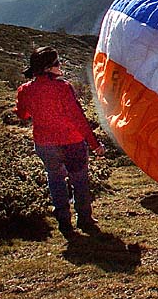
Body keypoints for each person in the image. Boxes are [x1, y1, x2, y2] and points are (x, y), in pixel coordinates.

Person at [15, 46, 106, 237]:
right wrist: (95, 144)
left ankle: (63, 221)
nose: (60, 65)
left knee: (55, 179)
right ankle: (85, 219)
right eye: (57, 62)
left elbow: (22, 115)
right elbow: (78, 118)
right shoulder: (63, 88)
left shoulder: (25, 90)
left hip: (45, 144)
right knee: (79, 180)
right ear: (48, 68)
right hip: (72, 141)